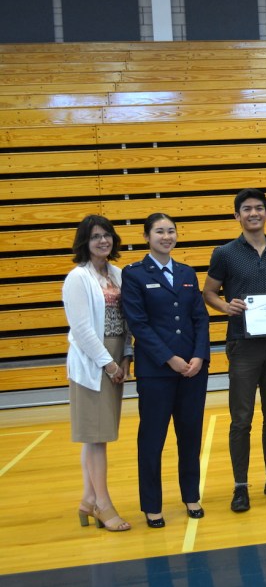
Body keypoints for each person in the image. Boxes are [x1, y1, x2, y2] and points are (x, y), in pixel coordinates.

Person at [203, 188, 266, 513]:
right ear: (237, 215)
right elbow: (209, 292)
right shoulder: (224, 253)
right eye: (247, 209)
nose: (254, 213)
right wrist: (225, 307)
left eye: (259, 208)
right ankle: (240, 486)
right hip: (242, 345)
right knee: (241, 419)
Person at [121, 213, 210, 529]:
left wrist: (199, 356)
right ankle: (152, 505)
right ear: (147, 236)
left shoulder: (186, 272)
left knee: (190, 436)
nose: (166, 236)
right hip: (156, 372)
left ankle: (191, 496)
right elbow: (138, 324)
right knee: (152, 439)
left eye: (171, 231)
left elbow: (200, 318)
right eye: (159, 231)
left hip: (192, 371)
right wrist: (169, 358)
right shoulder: (134, 274)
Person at [63, 215, 133, 532]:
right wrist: (108, 363)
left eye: (106, 235)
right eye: (95, 236)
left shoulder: (118, 274)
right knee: (96, 437)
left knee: (98, 434)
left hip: (116, 355)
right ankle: (103, 505)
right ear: (84, 242)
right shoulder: (77, 278)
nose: (102, 241)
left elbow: (128, 319)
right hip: (93, 362)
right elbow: (81, 330)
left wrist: (126, 355)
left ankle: (88, 499)